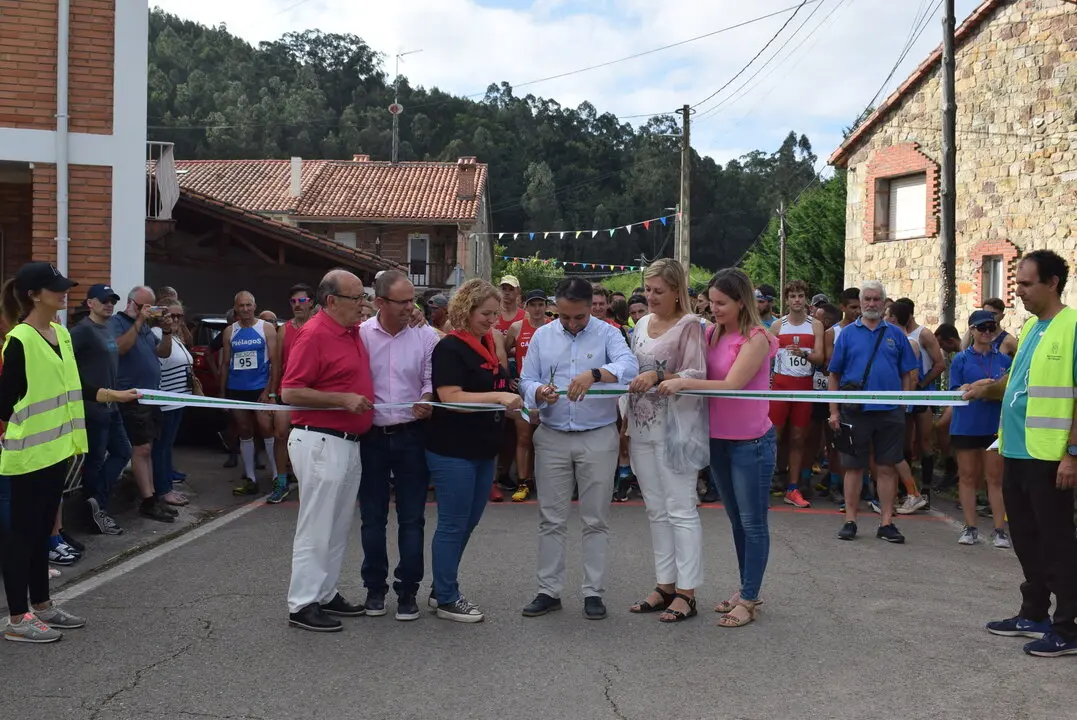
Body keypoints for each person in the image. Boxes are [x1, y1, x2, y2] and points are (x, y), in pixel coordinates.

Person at [1, 262, 139, 643]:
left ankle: (42, 607)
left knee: (42, 531)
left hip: (57, 452)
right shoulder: (20, 340)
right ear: (33, 295)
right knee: (21, 536)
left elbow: (76, 385)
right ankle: (17, 619)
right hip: (28, 455)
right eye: (55, 288)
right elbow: (3, 402)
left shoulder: (59, 334)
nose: (64, 293)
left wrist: (116, 395)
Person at [964, 250, 1077, 657]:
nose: (1019, 292)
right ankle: (1035, 613)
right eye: (1017, 284)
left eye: (1027, 284)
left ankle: (1068, 627)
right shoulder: (1031, 328)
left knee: (1057, 540)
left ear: (1052, 284)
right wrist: (984, 388)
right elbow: (1015, 380)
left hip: (1049, 456)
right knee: (1026, 537)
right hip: (1016, 449)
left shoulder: (1073, 325)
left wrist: (1073, 454)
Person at [659, 268, 777, 628]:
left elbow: (733, 383)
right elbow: (692, 372)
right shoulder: (711, 334)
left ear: (742, 302)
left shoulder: (757, 338)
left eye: (721, 303)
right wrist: (663, 375)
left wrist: (680, 382)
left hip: (752, 442)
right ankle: (745, 589)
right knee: (737, 522)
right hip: (719, 440)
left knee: (753, 523)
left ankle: (751, 596)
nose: (713, 309)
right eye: (710, 302)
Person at [518, 277, 639, 620]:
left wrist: (596, 374)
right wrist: (539, 391)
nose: (571, 324)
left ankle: (593, 592)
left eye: (579, 317)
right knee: (550, 518)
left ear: (592, 307)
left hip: (598, 435)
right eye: (565, 317)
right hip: (553, 433)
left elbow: (628, 368)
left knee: (595, 519)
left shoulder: (609, 333)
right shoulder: (543, 335)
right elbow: (526, 379)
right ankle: (548, 590)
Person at [282, 269, 374, 633]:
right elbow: (290, 391)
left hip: (345, 442)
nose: (362, 305)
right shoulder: (315, 334)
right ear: (332, 301)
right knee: (317, 526)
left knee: (336, 526)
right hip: (320, 439)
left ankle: (325, 591)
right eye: (356, 299)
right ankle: (302, 602)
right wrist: (342, 399)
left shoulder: (350, 332)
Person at [426, 279, 521, 623]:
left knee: (468, 522)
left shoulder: (485, 342)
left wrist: (507, 399)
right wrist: (497, 398)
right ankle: (447, 596)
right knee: (453, 524)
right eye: (486, 313)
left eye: (496, 314)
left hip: (483, 447)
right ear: (466, 310)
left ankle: (442, 587)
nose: (493, 320)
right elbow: (449, 396)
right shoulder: (450, 347)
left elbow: (493, 389)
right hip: (453, 448)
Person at [623, 259, 709, 623]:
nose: (652, 296)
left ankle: (687, 592)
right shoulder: (641, 323)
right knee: (656, 511)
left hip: (676, 430)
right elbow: (629, 369)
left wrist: (658, 374)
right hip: (642, 429)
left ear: (677, 292)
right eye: (648, 290)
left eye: (659, 291)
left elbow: (697, 373)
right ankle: (665, 584)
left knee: (682, 510)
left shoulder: (691, 325)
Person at [358, 270, 438, 621]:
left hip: (411, 436)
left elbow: (431, 379)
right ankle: (374, 587)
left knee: (412, 518)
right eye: (403, 301)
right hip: (370, 436)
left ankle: (408, 590)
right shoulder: (359, 336)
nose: (411, 307)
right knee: (372, 518)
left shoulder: (425, 336)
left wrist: (426, 398)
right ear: (379, 302)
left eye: (413, 300)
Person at [827, 280, 919, 544]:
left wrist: (902, 404)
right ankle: (850, 520)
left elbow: (906, 374)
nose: (870, 304)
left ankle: (887, 522)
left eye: (876, 299)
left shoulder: (897, 334)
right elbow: (834, 375)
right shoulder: (846, 334)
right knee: (853, 468)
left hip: (889, 413)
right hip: (854, 412)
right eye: (866, 299)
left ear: (883, 302)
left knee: (886, 468)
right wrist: (834, 411)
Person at [111, 286, 178, 523]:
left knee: (148, 448)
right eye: (144, 307)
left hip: (150, 396)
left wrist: (168, 331)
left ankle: (151, 498)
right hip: (131, 396)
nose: (148, 312)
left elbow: (161, 353)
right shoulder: (118, 322)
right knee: (141, 449)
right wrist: (139, 320)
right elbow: (119, 349)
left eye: (151, 307)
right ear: (132, 304)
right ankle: (148, 501)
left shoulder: (148, 328)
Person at [70, 283, 131, 535]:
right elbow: (66, 365)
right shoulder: (81, 331)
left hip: (111, 405)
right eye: (104, 300)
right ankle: (94, 513)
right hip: (93, 407)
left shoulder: (107, 328)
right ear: (90, 303)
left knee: (122, 451)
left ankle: (96, 502)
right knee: (95, 460)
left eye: (112, 300)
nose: (109, 304)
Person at [949, 310, 1012, 547]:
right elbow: (954, 392)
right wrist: (976, 386)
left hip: (993, 426)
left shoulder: (1004, 360)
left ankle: (999, 530)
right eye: (982, 327)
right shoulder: (961, 360)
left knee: (994, 479)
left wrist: (992, 388)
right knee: (967, 477)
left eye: (991, 327)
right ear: (972, 330)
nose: (987, 332)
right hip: (966, 425)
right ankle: (970, 526)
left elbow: (1009, 391)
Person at [768, 280, 824, 508]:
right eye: (793, 296)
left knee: (799, 438)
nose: (797, 300)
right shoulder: (777, 326)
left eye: (801, 295)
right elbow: (767, 359)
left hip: (804, 387)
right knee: (773, 436)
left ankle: (793, 487)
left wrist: (804, 354)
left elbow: (820, 358)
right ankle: (765, 483)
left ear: (806, 299)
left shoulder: (816, 325)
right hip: (781, 387)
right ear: (787, 300)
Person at [220, 291, 280, 496]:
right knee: (244, 431)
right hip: (237, 388)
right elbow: (225, 364)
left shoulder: (266, 328)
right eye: (241, 306)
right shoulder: (230, 331)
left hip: (259, 388)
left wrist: (269, 392)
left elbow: (274, 363)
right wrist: (222, 395)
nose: (245, 309)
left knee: (266, 429)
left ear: (254, 306)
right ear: (235, 308)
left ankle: (276, 477)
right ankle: (250, 478)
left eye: (248, 305)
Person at [267, 283, 315, 504]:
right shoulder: (284, 329)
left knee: (311, 438)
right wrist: (272, 394)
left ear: (311, 303)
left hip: (312, 392)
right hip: (286, 390)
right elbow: (276, 364)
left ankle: (310, 482)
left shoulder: (318, 327)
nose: (297, 305)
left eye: (302, 301)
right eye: (293, 301)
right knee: (281, 435)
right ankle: (281, 482)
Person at [895, 298, 945, 505]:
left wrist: (922, 384)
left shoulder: (923, 334)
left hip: (921, 393)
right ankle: (906, 488)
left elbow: (939, 364)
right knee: (905, 442)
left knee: (925, 441)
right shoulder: (898, 335)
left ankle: (925, 488)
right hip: (905, 392)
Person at [504, 289, 549, 502]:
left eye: (541, 304)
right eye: (533, 305)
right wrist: (509, 377)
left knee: (548, 440)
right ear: (526, 306)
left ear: (546, 307)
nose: (537, 309)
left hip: (549, 390)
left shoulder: (553, 327)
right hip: (525, 389)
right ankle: (523, 482)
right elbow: (502, 354)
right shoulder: (517, 327)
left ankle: (546, 481)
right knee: (524, 437)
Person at [151, 300, 195, 508]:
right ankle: (163, 489)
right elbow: (163, 355)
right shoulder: (159, 334)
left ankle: (166, 486)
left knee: (167, 447)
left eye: (180, 316)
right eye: (172, 316)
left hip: (178, 401)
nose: (176, 320)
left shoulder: (177, 337)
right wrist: (168, 329)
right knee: (161, 448)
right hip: (166, 402)